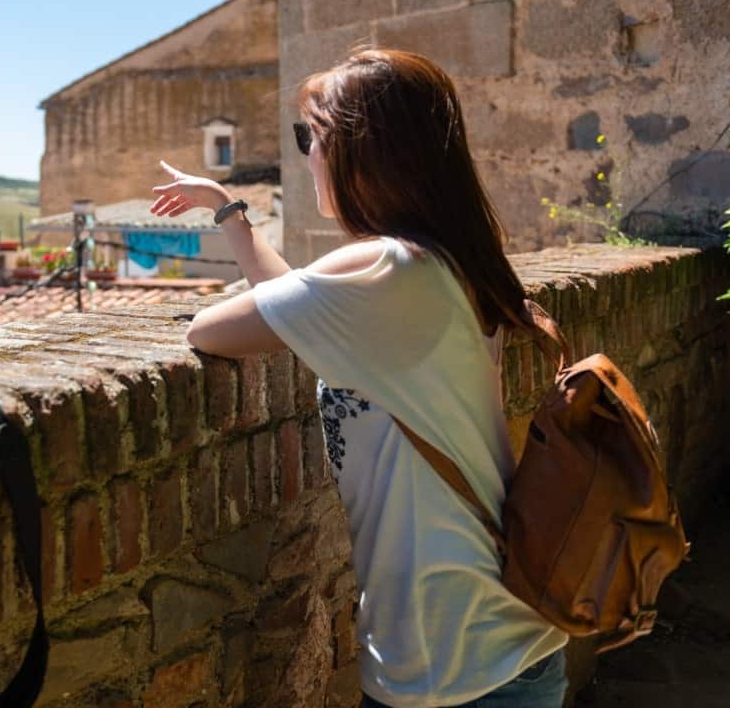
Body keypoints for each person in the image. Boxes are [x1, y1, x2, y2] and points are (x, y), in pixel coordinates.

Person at [149, 48, 569, 708]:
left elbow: (209, 330)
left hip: (455, 666)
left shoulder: (384, 271)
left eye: (309, 138)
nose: (307, 155)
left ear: (357, 150)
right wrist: (229, 209)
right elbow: (302, 303)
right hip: (497, 643)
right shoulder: (440, 261)